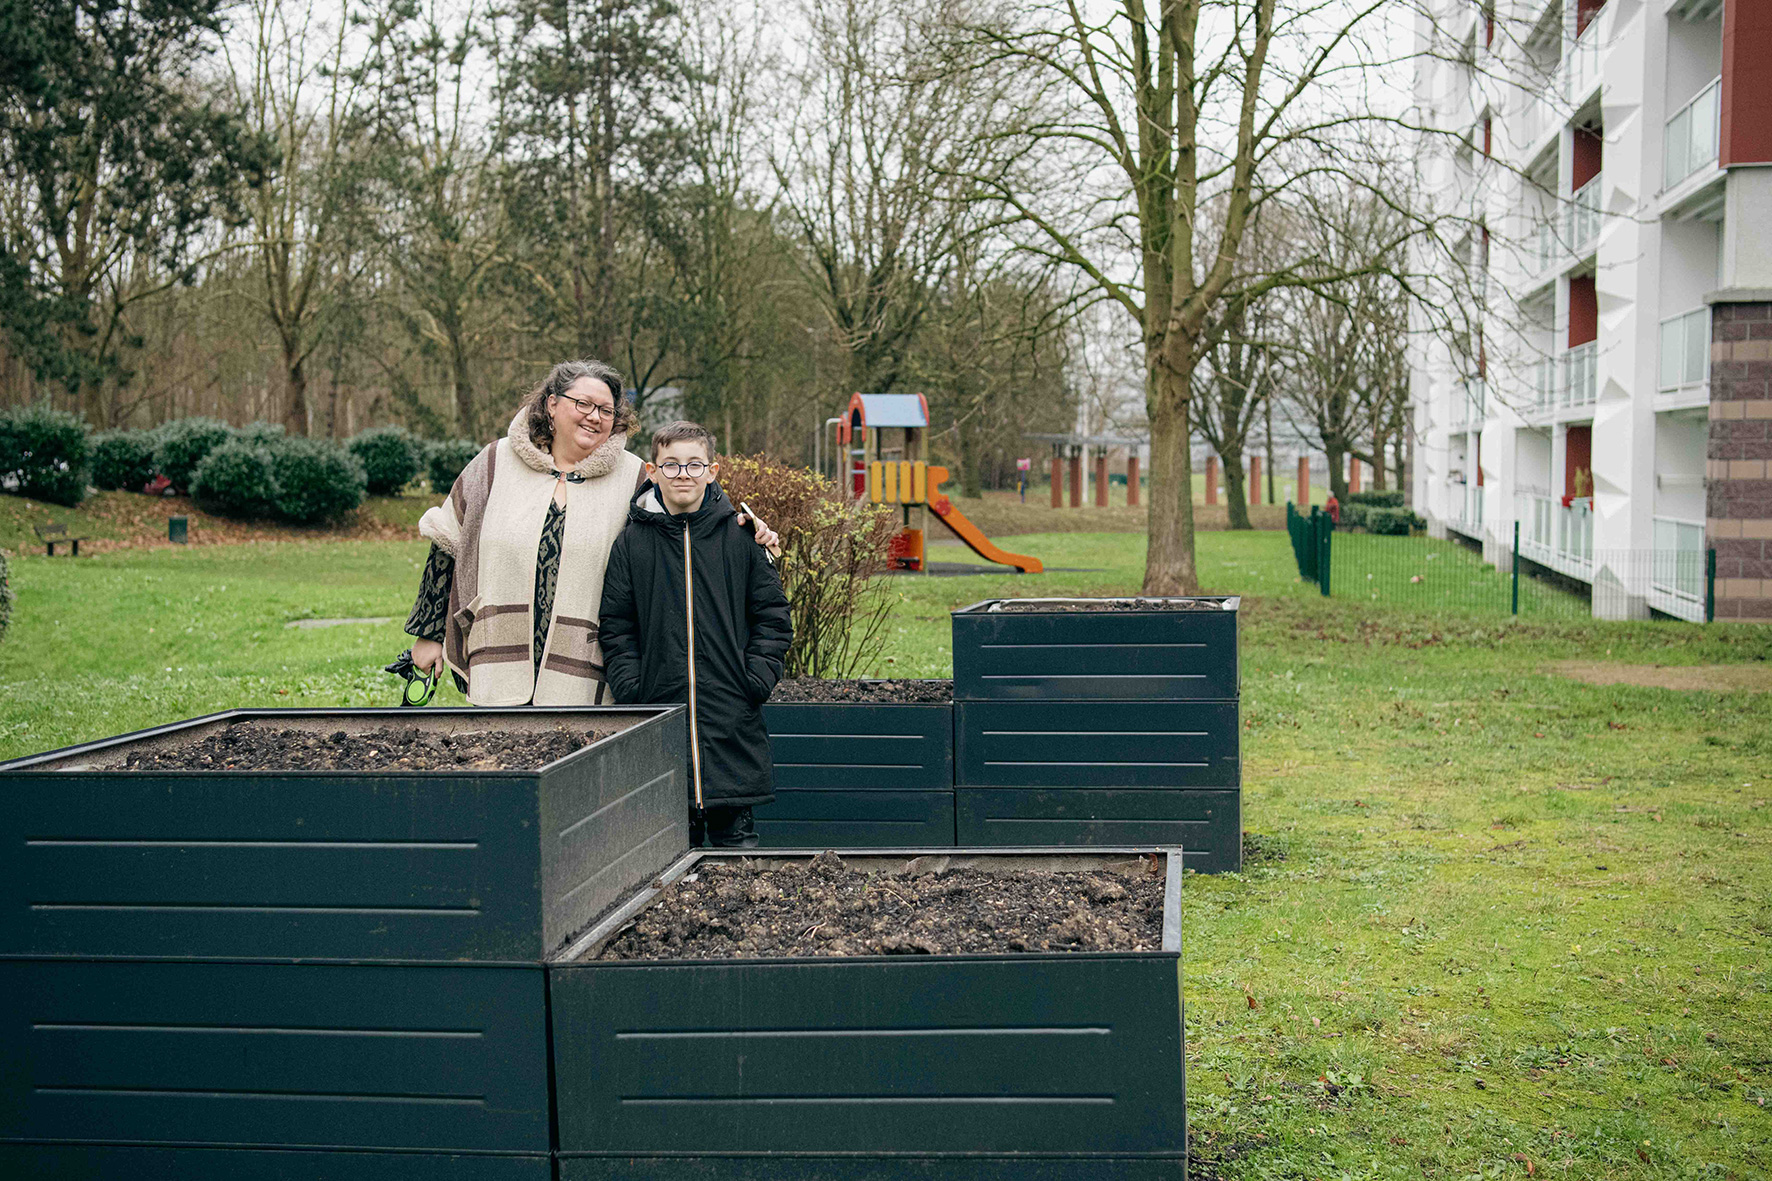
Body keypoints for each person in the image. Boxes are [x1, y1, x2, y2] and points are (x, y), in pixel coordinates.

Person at [402, 360, 777, 706]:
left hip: (586, 670)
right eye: (583, 404)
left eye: (606, 410)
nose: (594, 417)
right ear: (551, 404)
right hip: (496, 654)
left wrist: (748, 527)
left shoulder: (635, 478)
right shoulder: (495, 463)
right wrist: (430, 632)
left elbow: (696, 507)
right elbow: (447, 542)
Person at [598, 421, 793, 847]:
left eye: (693, 464)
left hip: (731, 722)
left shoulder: (741, 536)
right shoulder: (632, 543)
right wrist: (633, 689)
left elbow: (772, 616)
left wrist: (755, 679)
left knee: (737, 862)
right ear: (652, 471)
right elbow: (616, 625)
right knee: (666, 861)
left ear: (713, 470)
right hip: (660, 719)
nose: (682, 474)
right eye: (671, 465)